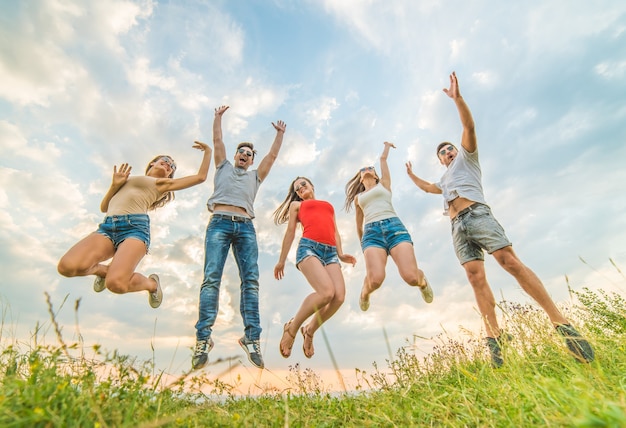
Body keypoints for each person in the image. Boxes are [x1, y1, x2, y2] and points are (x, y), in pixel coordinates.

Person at [405, 71, 594, 367]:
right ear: (440, 160)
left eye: (449, 148)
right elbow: (429, 188)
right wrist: (411, 174)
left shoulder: (467, 159)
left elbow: (468, 125)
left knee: (509, 261)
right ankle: (495, 341)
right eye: (442, 152)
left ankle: (561, 324)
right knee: (474, 277)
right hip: (456, 226)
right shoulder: (443, 179)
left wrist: (457, 99)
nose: (447, 152)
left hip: (477, 214)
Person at [58, 142, 213, 309]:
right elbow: (105, 207)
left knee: (116, 284)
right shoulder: (126, 179)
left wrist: (208, 152)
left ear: (169, 176)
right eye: (166, 160)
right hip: (108, 227)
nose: (169, 164)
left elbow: (200, 177)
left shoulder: (161, 184)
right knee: (67, 267)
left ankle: (152, 285)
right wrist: (115, 185)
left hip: (135, 229)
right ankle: (103, 271)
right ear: (152, 163)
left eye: (172, 167)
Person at [192, 105, 286, 371]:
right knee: (212, 277)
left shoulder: (256, 177)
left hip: (245, 226)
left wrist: (279, 134)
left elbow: (273, 155)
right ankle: (203, 339)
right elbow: (217, 141)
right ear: (234, 156)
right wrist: (218, 117)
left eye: (248, 155)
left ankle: (251, 338)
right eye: (241, 152)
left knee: (251, 281)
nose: (244, 155)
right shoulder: (222, 167)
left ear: (252, 161)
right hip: (219, 224)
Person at [344, 142, 433, 312]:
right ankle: (365, 292)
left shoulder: (384, 184)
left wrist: (386, 146)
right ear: (361, 178)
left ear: (376, 175)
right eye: (363, 170)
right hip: (371, 234)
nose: (367, 170)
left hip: (395, 228)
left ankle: (423, 282)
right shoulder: (358, 198)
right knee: (375, 280)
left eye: (370, 168)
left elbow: (383, 159)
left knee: (411, 277)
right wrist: (363, 243)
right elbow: (358, 223)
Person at [273, 177, 356, 359]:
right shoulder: (297, 205)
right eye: (297, 189)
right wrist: (281, 260)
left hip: (331, 253)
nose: (300, 188)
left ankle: (309, 331)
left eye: (303, 184)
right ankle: (292, 329)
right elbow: (290, 232)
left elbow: (335, 231)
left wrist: (341, 254)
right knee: (326, 292)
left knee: (339, 297)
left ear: (312, 185)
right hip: (309, 248)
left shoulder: (328, 205)